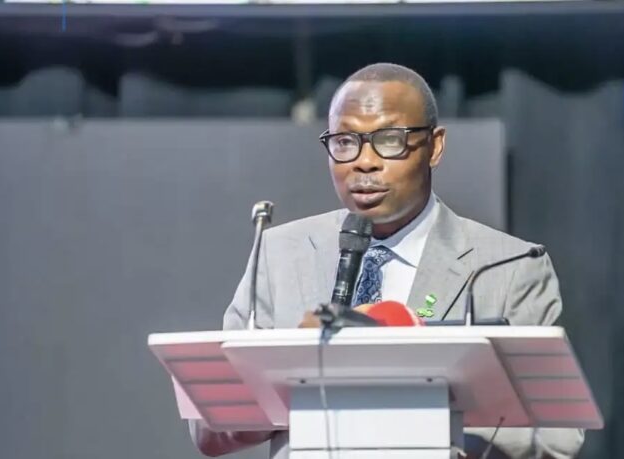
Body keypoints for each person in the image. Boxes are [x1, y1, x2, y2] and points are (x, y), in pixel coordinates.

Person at [190, 63, 584, 458]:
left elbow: (556, 437)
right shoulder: (281, 253)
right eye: (346, 141)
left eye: (390, 140)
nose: (364, 162)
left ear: (435, 146)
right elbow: (208, 428)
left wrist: (412, 394)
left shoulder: (510, 268)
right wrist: (298, 370)